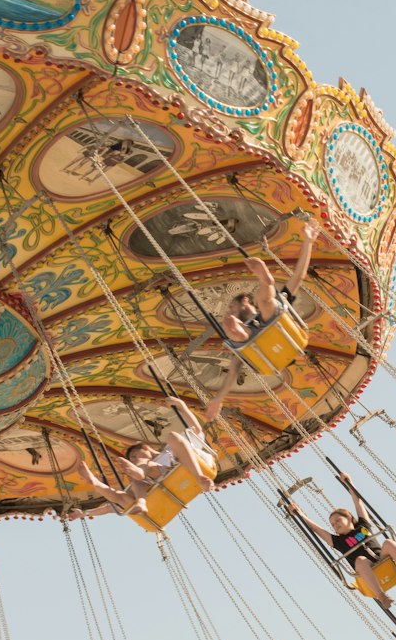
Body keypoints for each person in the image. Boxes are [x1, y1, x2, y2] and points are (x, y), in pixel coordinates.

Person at [205, 222, 319, 422]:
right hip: (263, 347)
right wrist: (218, 399)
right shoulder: (242, 335)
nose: (229, 310)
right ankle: (266, 282)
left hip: (279, 328)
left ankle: (266, 281)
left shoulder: (263, 305)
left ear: (244, 301)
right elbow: (232, 372)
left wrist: (308, 241)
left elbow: (299, 275)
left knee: (267, 302)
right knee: (237, 331)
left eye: (231, 306)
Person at [285, 472, 396, 610]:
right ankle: (382, 596)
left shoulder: (363, 526)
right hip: (366, 568)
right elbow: (316, 529)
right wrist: (299, 514)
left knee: (388, 543)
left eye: (338, 520)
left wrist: (349, 483)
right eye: (333, 524)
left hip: (384, 558)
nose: (335, 525)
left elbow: (358, 502)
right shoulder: (338, 541)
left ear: (349, 519)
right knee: (360, 559)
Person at [72, 396, 217, 518]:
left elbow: (196, 430)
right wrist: (85, 513)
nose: (134, 460)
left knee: (172, 437)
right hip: (158, 478)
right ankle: (133, 498)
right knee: (126, 494)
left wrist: (181, 406)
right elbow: (112, 507)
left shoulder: (168, 449)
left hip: (185, 463)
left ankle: (199, 477)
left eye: (134, 456)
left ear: (146, 447)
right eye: (132, 460)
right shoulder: (144, 471)